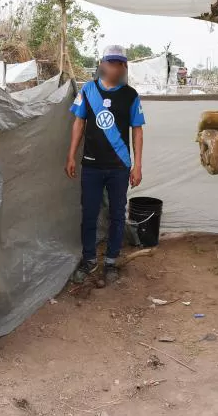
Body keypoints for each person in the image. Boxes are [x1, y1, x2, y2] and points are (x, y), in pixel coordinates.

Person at [65, 44, 145, 285]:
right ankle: (89, 260)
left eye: (118, 64)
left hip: (119, 166)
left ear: (123, 67)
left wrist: (137, 165)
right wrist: (71, 156)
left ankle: (111, 261)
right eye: (109, 63)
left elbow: (137, 131)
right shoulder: (88, 90)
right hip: (91, 165)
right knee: (89, 214)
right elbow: (78, 124)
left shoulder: (130, 95)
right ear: (103, 64)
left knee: (117, 215)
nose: (113, 68)